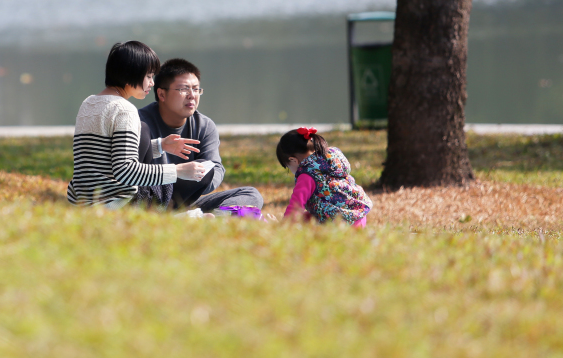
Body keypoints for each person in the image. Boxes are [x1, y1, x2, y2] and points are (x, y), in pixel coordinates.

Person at [67, 41, 209, 208]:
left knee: (143, 130)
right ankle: (177, 214)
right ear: (130, 73)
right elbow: (125, 171)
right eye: (148, 76)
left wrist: (160, 146)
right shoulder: (125, 110)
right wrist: (178, 171)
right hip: (116, 204)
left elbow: (104, 153)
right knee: (181, 182)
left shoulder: (89, 103)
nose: (152, 83)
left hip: (82, 204)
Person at [138, 58, 263, 213]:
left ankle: (209, 217)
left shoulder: (205, 125)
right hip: (149, 199)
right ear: (162, 94)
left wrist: (197, 177)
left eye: (196, 89)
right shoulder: (139, 123)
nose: (192, 95)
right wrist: (176, 173)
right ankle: (192, 217)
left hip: (189, 199)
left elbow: (216, 168)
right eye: (183, 89)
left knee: (251, 195)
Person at [277, 127, 372, 227]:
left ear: (293, 160)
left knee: (303, 226)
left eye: (288, 167)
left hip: (340, 224)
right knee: (306, 218)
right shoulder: (332, 160)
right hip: (359, 217)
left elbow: (296, 206)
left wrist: (283, 228)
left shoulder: (306, 174)